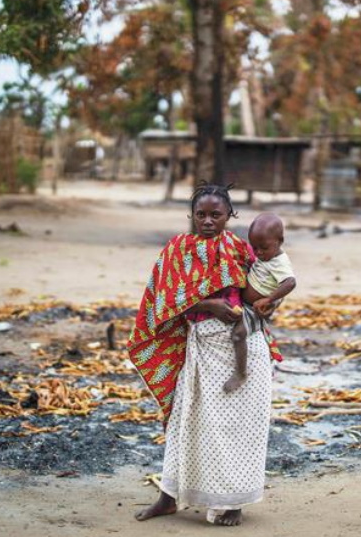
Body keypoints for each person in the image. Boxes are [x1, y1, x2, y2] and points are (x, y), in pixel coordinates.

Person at [127, 183, 283, 527]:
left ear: (230, 216)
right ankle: (168, 497)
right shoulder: (177, 250)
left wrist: (267, 303)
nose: (208, 221)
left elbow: (262, 289)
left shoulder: (242, 249)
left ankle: (233, 502)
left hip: (244, 346)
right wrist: (209, 304)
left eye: (216, 214)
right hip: (202, 348)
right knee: (186, 421)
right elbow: (161, 304)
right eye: (201, 214)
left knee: (239, 427)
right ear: (191, 216)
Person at [224, 213, 296, 393]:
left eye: (263, 248)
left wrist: (270, 299)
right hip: (245, 302)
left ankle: (241, 373)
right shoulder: (264, 256)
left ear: (280, 241)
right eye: (254, 248)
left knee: (238, 334)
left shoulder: (280, 262)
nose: (258, 253)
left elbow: (290, 282)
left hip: (253, 309)